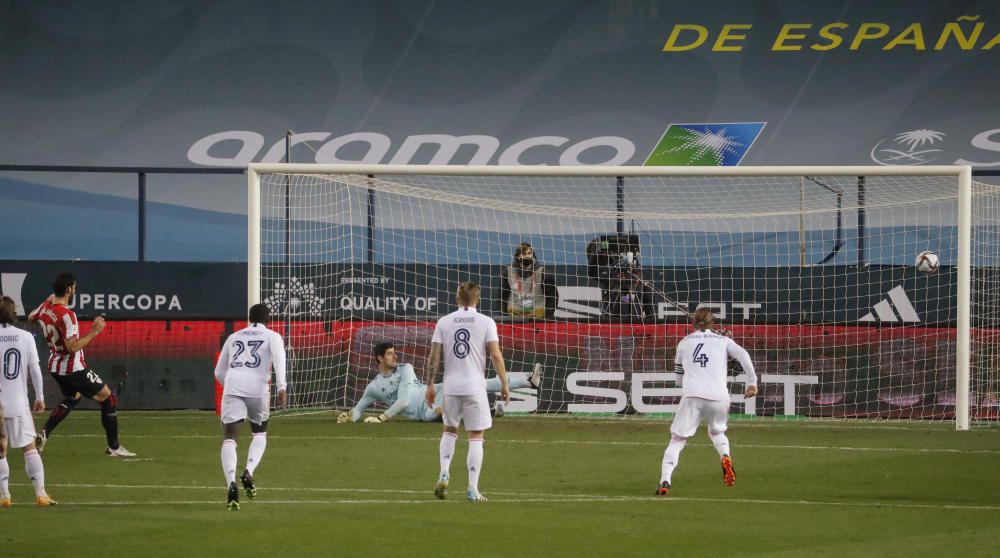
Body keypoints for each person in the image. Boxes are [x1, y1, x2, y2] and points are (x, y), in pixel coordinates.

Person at [27, 272, 136, 457]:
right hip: (73, 369)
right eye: (75, 287)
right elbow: (71, 347)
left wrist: (46, 306)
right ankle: (114, 447)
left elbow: (30, 317)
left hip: (55, 367)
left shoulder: (46, 306)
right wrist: (94, 332)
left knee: (73, 397)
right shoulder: (68, 315)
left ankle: (44, 433)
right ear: (69, 289)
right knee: (109, 398)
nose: (75, 290)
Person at [656, 308, 757, 495]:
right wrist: (751, 383)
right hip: (719, 397)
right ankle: (725, 456)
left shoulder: (684, 343)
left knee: (678, 439)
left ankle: (665, 480)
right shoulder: (724, 340)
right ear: (713, 323)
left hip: (693, 395)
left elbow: (678, 380)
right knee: (717, 433)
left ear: (694, 323)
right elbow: (743, 355)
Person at [424, 282, 509, 502]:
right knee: (476, 436)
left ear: (456, 299)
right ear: (477, 299)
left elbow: (434, 355)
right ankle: (472, 488)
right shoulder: (486, 321)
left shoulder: (444, 322)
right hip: (474, 387)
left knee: (449, 430)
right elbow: (496, 355)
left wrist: (430, 384)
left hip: (451, 386)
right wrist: (504, 383)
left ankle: (444, 471)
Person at [338, 342, 540, 424]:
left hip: (433, 392)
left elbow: (403, 400)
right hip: (423, 412)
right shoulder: (373, 387)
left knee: (475, 382)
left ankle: (528, 382)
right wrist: (348, 417)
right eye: (390, 354)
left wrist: (381, 418)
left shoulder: (406, 368)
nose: (395, 356)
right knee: (442, 411)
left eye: (394, 353)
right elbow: (358, 410)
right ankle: (488, 410)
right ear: (379, 358)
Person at [214, 303, 287, 511]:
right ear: (268, 320)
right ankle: (248, 471)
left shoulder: (234, 337)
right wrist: (282, 387)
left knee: (229, 439)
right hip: (258, 389)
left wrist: (230, 385)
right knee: (259, 434)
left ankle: (230, 483)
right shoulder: (273, 336)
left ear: (249, 318)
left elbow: (219, 371)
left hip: (233, 385)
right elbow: (280, 361)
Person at [0, 296, 57, 507]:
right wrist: (40, 397)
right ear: (13, 313)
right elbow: (34, 369)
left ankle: (4, 496)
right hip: (18, 403)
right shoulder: (24, 336)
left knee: (0, 450)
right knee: (30, 448)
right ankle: (40, 494)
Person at [498, 242, 557, 319]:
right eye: (523, 254)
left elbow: (552, 297)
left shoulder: (544, 272)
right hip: (514, 316)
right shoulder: (508, 272)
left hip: (537, 316)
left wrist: (548, 316)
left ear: (533, 255)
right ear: (517, 256)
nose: (527, 256)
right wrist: (504, 317)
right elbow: (501, 296)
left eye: (529, 253)